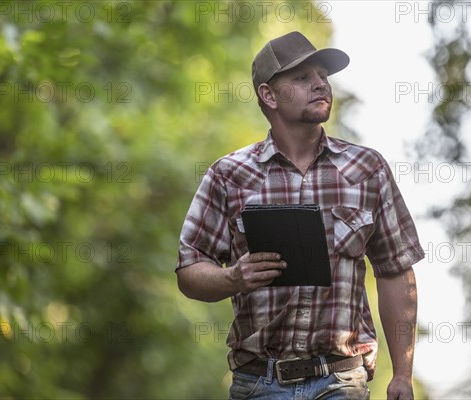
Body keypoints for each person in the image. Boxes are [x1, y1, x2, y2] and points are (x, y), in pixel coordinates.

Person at [175, 31, 425, 400]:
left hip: (341, 381)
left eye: (322, 75)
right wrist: (233, 278)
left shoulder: (367, 169)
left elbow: (396, 272)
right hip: (257, 383)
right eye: (302, 77)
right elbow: (188, 271)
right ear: (269, 95)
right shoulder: (228, 175)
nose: (320, 84)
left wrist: (403, 374)